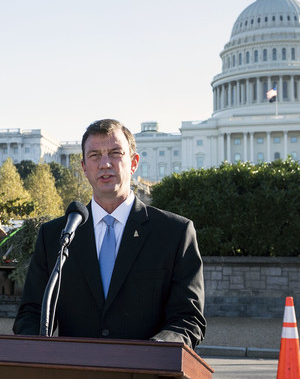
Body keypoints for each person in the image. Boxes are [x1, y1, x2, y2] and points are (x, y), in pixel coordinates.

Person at [12, 119, 205, 348]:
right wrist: (38, 351)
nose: (105, 164)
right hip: (73, 376)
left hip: (146, 377)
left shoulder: (174, 233)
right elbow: (32, 313)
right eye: (94, 156)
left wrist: (155, 352)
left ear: (133, 163)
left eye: (115, 153)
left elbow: (188, 320)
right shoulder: (55, 235)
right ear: (84, 167)